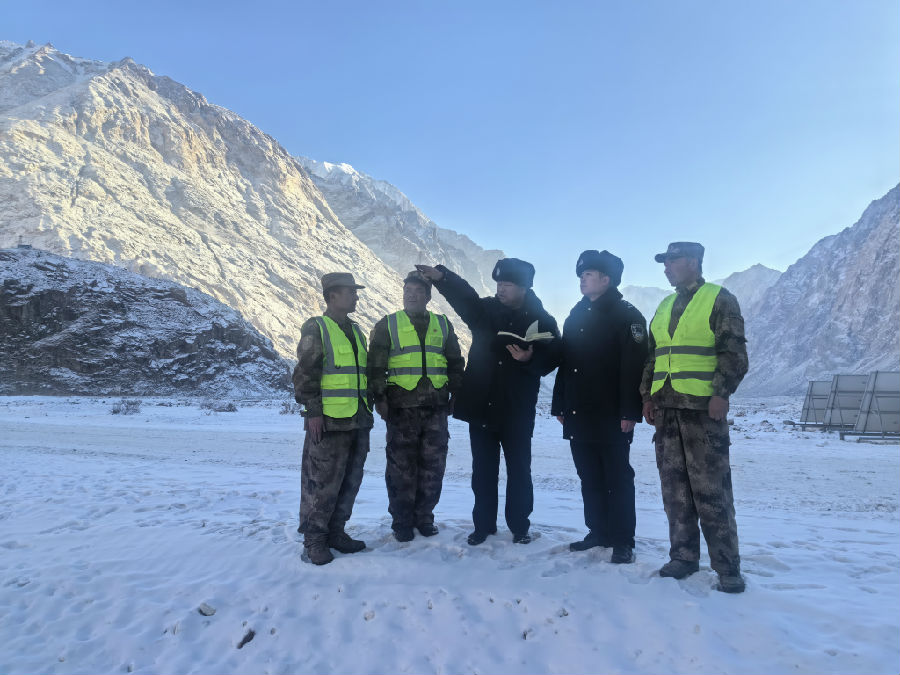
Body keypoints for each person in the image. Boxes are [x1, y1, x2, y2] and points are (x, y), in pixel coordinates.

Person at [416, 259, 560, 545]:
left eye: (507, 285)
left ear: (523, 287)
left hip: (517, 410)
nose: (501, 290)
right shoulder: (485, 311)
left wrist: (530, 358)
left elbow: (555, 356)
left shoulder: (542, 319)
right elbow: (464, 296)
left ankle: (520, 526)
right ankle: (483, 526)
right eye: (498, 284)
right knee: (482, 471)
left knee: (519, 471)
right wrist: (442, 277)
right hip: (481, 404)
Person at [640, 242, 749, 593]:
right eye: (665, 262)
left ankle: (727, 568)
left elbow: (733, 351)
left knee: (711, 491)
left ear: (692, 262)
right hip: (667, 411)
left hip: (703, 410)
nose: (667, 268)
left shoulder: (719, 298)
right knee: (674, 490)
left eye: (672, 261)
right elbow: (654, 357)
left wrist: (721, 393)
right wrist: (648, 396)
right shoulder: (664, 305)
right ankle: (684, 556)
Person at [551, 250, 647, 564]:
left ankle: (623, 541)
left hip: (611, 413)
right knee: (589, 476)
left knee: (617, 478)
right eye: (581, 274)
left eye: (589, 274)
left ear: (606, 279)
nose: (582, 278)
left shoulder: (627, 315)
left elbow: (634, 367)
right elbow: (567, 364)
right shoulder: (575, 314)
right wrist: (560, 403)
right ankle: (598, 532)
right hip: (578, 411)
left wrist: (630, 411)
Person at [367, 271, 465, 542]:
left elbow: (455, 362)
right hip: (401, 409)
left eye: (417, 291)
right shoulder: (388, 324)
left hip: (436, 409)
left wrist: (455, 394)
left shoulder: (443, 325)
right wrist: (380, 398)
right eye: (407, 290)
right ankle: (402, 521)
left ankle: (425, 517)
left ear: (428, 296)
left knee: (433, 466)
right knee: (400, 467)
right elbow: (375, 365)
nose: (411, 295)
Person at [292, 272, 373, 565]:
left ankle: (337, 533)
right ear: (332, 296)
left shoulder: (355, 330)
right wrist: (312, 411)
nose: (356, 296)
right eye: (350, 292)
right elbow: (304, 373)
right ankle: (314, 540)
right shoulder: (317, 327)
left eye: (355, 291)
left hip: (358, 420)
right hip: (328, 422)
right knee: (321, 482)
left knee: (350, 481)